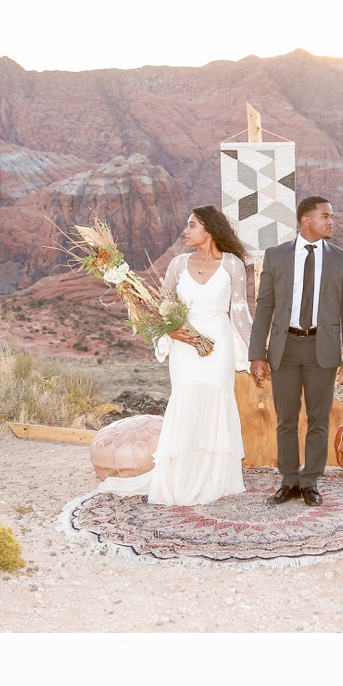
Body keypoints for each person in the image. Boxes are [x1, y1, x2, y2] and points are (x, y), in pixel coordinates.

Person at [100, 207, 253, 506]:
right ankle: (180, 478)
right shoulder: (178, 264)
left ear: (209, 230)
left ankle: (215, 479)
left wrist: (259, 353)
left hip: (219, 346)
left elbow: (240, 313)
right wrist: (171, 333)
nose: (185, 230)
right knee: (186, 402)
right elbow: (160, 307)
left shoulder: (233, 265)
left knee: (216, 403)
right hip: (184, 346)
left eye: (191, 225)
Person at [249, 195, 343, 506]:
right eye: (325, 216)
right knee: (285, 418)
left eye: (331, 216)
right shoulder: (276, 256)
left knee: (318, 418)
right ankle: (288, 480)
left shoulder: (341, 259)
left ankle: (310, 481)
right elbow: (264, 308)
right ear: (306, 220)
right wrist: (257, 353)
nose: (331, 221)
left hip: (322, 350)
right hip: (284, 349)